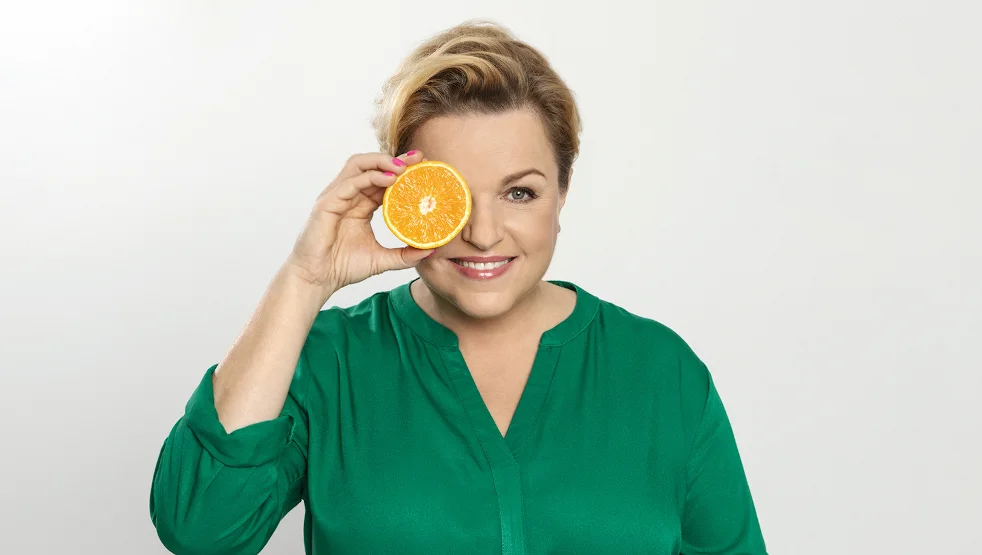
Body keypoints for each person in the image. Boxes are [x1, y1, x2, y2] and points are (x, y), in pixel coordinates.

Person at [149, 19, 768, 555]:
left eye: (519, 192)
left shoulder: (662, 372)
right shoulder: (327, 363)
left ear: (562, 195)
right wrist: (305, 278)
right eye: (451, 197)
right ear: (400, 196)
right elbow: (201, 528)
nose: (483, 233)